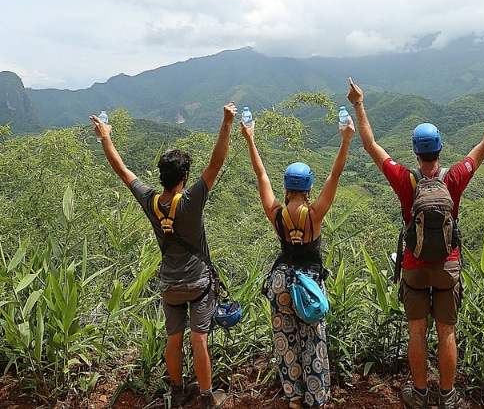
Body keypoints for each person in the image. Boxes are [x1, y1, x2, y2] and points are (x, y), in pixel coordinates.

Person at [347, 76, 484, 409]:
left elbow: (370, 144)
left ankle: (421, 394)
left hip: (413, 265)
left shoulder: (404, 179)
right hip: (448, 265)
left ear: (415, 151)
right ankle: (448, 396)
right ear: (441, 148)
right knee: (446, 331)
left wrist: (358, 103)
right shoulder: (454, 177)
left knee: (416, 330)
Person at [91, 103, 238, 409]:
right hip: (198, 284)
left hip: (169, 285)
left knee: (174, 338)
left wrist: (105, 137)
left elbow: (122, 169)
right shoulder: (192, 202)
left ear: (161, 176)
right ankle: (207, 398)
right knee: (198, 339)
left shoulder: (150, 200)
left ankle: (178, 391)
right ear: (185, 176)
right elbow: (216, 162)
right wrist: (226, 123)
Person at [241, 112, 354, 408]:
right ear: (308, 188)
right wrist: (345, 140)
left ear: (287, 186)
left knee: (285, 339)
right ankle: (316, 397)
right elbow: (336, 174)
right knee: (313, 340)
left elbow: (261, 174)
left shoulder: (276, 214)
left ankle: (293, 396)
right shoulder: (314, 214)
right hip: (309, 284)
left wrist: (250, 139)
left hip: (280, 281)